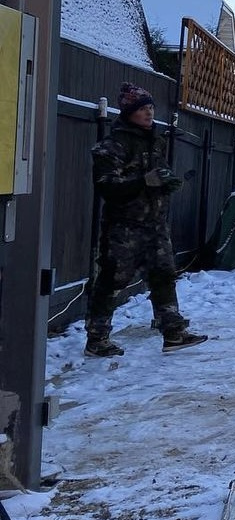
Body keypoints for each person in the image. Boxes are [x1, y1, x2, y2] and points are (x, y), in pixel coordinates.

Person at [84, 83, 207, 356]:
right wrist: (143, 182)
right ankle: (96, 339)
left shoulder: (156, 141)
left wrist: (167, 181)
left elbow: (158, 172)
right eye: (142, 108)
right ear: (129, 112)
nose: (149, 112)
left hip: (155, 224)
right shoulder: (112, 145)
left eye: (151, 107)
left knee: (164, 276)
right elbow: (106, 186)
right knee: (111, 280)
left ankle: (173, 332)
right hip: (124, 227)